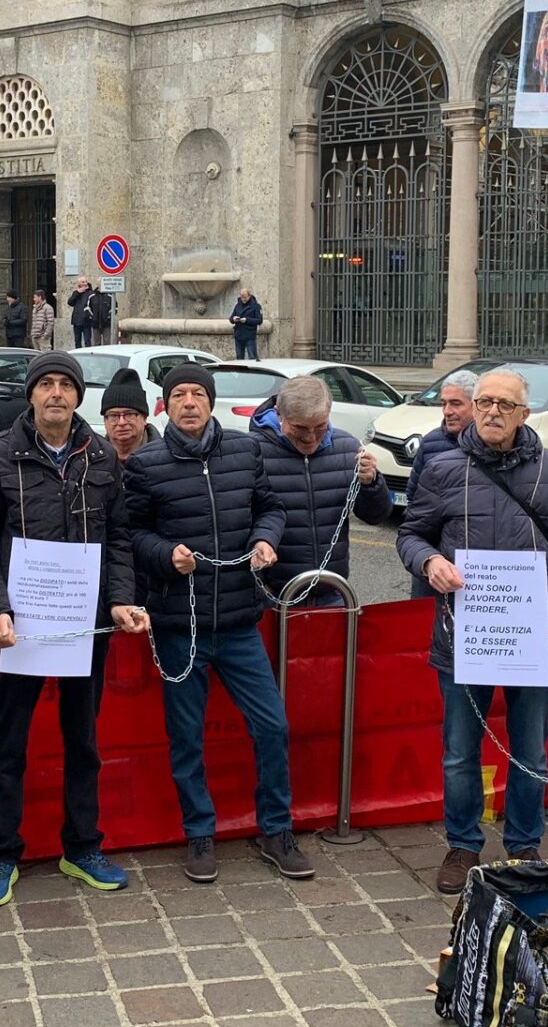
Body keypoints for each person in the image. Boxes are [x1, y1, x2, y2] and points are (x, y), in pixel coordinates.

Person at [398, 370, 548, 896]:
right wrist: (429, 564)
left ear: (524, 414)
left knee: (531, 750)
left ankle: (523, 846)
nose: (491, 411)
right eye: (484, 402)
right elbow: (411, 534)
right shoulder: (444, 468)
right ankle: (463, 844)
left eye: (504, 405)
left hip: (534, 634)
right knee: (460, 750)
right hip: (462, 632)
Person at [0, 353, 147, 907]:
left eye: (66, 385)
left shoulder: (102, 459)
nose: (57, 394)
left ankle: (82, 847)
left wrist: (119, 601)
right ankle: (0, 854)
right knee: (8, 744)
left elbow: (118, 540)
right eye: (47, 385)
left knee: (83, 742)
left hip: (84, 629)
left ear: (77, 397)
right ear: (31, 395)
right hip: (19, 627)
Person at [124, 365, 311, 883]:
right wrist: (166, 554)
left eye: (198, 394)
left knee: (272, 726)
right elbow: (132, 533)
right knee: (187, 737)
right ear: (165, 406)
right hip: (177, 625)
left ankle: (276, 829)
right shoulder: (145, 464)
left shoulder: (244, 452)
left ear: (210, 402)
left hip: (237, 622)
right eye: (179, 395)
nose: (189, 402)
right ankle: (199, 834)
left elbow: (270, 508)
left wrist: (265, 538)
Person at [250, 375, 391, 605]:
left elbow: (376, 516)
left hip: (332, 592)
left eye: (320, 427)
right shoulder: (252, 451)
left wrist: (371, 483)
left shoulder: (346, 448)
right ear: (279, 415)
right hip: (269, 594)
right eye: (300, 428)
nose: (310, 437)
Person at [406, 370, 480, 597]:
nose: (448, 411)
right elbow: (414, 501)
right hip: (435, 564)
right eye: (444, 403)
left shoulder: (494, 446)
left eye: (456, 404)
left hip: (480, 567)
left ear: (476, 405)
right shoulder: (430, 443)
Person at [100, 367, 158, 464]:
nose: (121, 422)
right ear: (105, 421)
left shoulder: (164, 460)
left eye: (129, 414)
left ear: (144, 418)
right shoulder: (91, 460)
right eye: (114, 416)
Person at [229, 287, 264, 360]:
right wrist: (234, 319)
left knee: (252, 357)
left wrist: (246, 320)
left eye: (245, 297)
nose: (243, 299)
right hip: (238, 335)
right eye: (242, 297)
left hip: (249, 335)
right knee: (239, 358)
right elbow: (231, 318)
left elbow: (259, 320)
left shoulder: (256, 306)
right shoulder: (238, 305)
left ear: (249, 296)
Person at [67, 277, 97, 349]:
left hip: (86, 320)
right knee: (77, 341)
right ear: (79, 284)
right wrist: (77, 293)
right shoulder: (76, 293)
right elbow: (70, 302)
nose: (85, 283)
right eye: (83, 282)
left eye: (85, 282)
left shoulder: (90, 293)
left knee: (87, 341)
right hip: (77, 320)